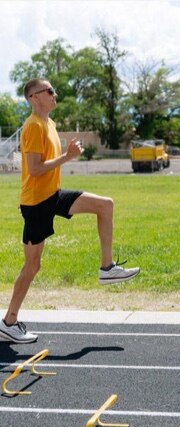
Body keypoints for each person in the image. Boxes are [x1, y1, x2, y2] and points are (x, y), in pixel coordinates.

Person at [0, 78, 140, 344]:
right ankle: (8, 322)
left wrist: (66, 156)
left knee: (105, 205)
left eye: (54, 90)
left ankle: (107, 268)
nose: (55, 94)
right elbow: (34, 167)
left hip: (52, 195)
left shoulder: (49, 123)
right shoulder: (32, 126)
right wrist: (67, 156)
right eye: (50, 91)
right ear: (34, 97)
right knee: (32, 266)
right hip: (36, 204)